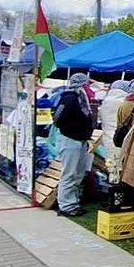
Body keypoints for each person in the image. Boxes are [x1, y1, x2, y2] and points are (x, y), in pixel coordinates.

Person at [52, 73, 95, 217]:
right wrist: (71, 128)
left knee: (78, 173)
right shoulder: (70, 98)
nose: (89, 88)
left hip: (80, 140)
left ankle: (73, 203)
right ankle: (66, 205)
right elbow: (58, 117)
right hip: (70, 139)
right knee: (69, 174)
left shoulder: (81, 99)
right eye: (87, 84)